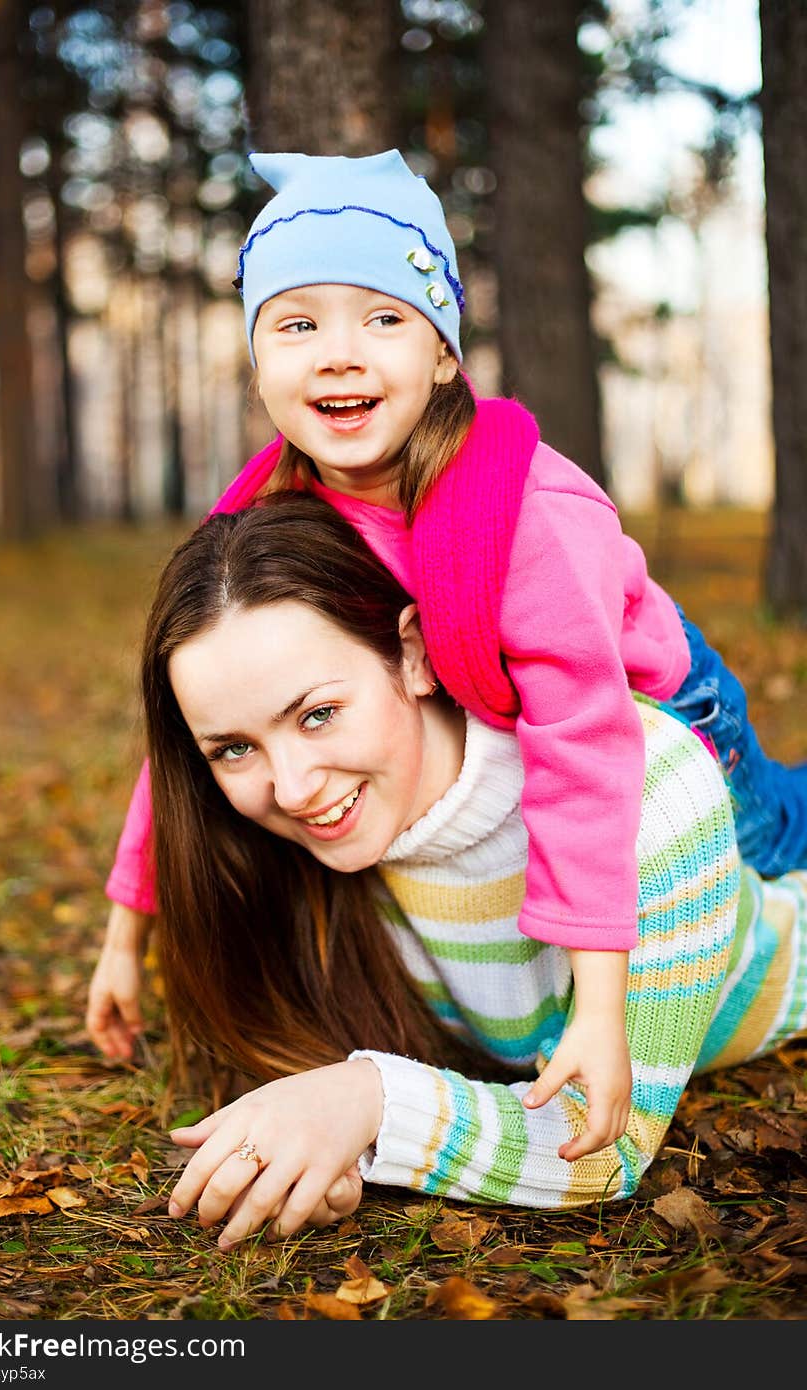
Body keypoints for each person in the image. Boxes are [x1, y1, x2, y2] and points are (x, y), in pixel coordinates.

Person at [88, 149, 807, 1158]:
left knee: (782, 849)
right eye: (297, 325)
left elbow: (587, 750)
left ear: (442, 356)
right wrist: (128, 931)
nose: (338, 355)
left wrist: (596, 1007)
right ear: (259, 369)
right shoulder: (272, 517)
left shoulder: (529, 519)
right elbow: (203, 721)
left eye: (382, 317)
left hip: (669, 722)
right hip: (499, 721)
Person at [111, 493, 807, 1251]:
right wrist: (327, 1142)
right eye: (234, 748)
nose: (292, 786)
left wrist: (367, 1105)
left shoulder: (652, 797)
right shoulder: (299, 841)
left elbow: (602, 1151)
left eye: (316, 715)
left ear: (411, 654)